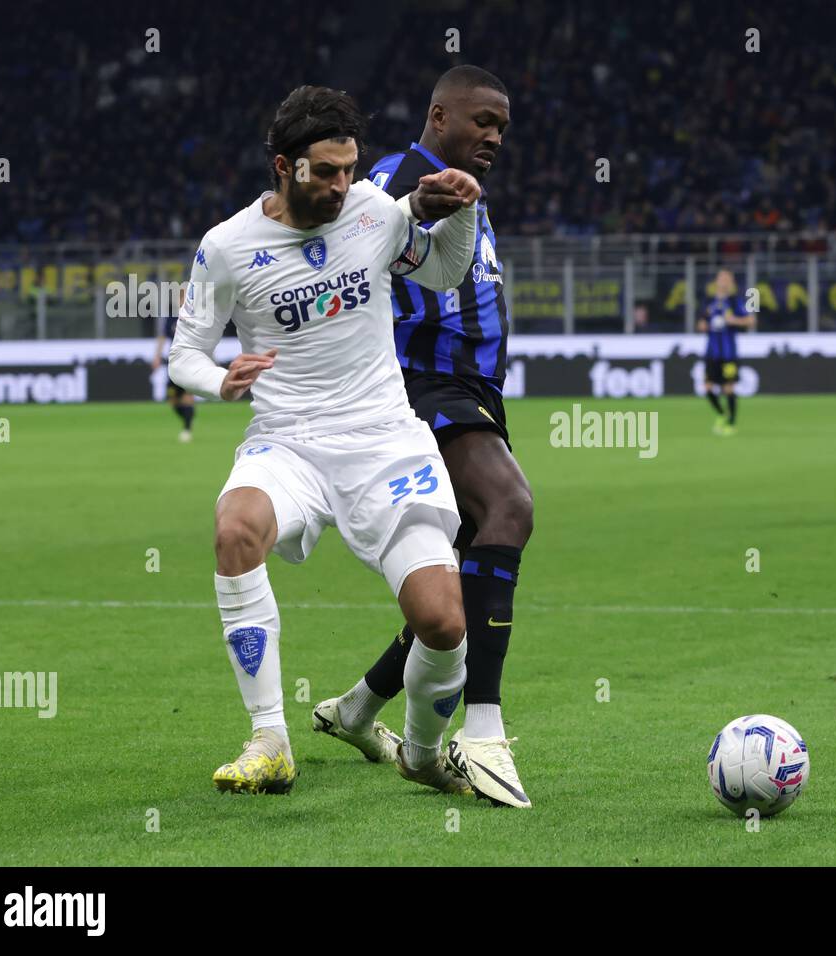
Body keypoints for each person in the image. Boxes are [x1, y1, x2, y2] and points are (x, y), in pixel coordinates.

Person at [167, 85, 481, 795]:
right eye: (327, 171)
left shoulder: (373, 210)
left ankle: (425, 754)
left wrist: (460, 210)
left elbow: (444, 269)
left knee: (439, 619)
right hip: (289, 442)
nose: (343, 185)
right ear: (285, 167)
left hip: (383, 442)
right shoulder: (227, 246)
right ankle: (270, 739)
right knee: (235, 528)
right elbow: (184, 353)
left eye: (350, 168)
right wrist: (222, 380)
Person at [314, 66, 533, 808]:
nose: (495, 138)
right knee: (509, 509)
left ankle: (357, 709)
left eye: (502, 127)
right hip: (420, 384)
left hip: (473, 391)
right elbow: (342, 239)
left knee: (463, 568)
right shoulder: (393, 181)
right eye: (483, 122)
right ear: (440, 115)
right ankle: (482, 730)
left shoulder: (459, 188)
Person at [697, 269, 755, 436]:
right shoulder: (709, 302)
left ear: (731, 283)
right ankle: (722, 414)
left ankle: (731, 423)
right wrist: (704, 326)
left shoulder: (735, 302)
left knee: (728, 388)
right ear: (716, 281)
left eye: (727, 279)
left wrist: (733, 320)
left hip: (729, 354)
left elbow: (751, 320)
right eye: (721, 278)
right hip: (711, 353)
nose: (724, 282)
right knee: (708, 388)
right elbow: (701, 324)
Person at [151, 305, 197, 442]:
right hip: (174, 363)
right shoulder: (171, 317)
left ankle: (187, 429)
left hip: (189, 361)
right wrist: (157, 357)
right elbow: (162, 337)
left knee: (187, 397)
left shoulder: (194, 317)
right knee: (173, 400)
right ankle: (188, 418)